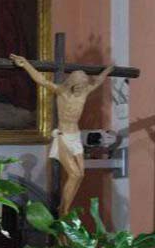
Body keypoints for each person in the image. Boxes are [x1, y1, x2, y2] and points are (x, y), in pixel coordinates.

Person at [10, 54, 114, 214]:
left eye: (82, 85)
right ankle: (63, 210)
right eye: (77, 86)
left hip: (75, 136)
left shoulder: (85, 92)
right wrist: (25, 64)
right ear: (71, 83)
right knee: (74, 174)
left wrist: (108, 70)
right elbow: (42, 80)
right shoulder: (62, 92)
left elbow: (98, 80)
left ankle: (65, 206)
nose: (80, 89)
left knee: (81, 175)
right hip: (63, 136)